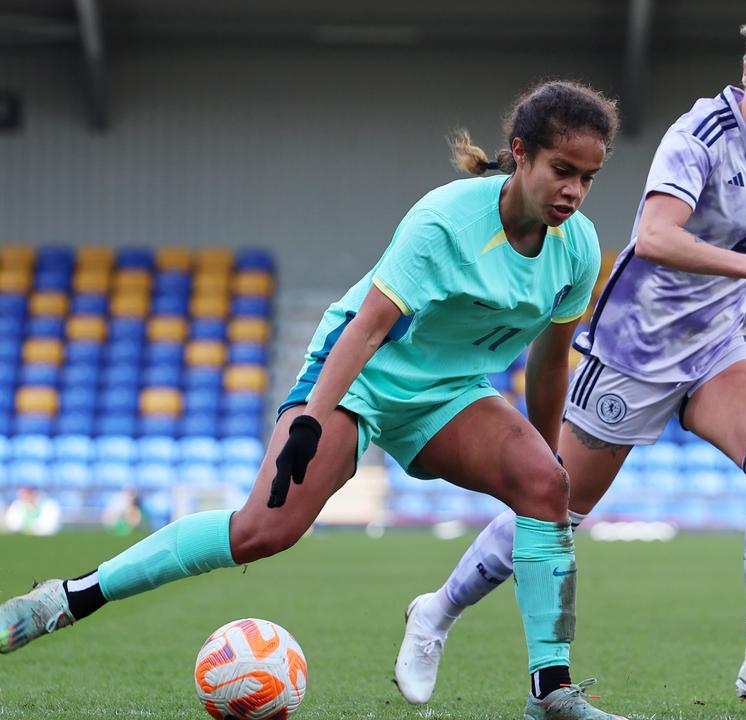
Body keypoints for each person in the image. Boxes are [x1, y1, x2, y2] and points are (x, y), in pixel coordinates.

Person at [0, 80, 626, 720]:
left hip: (451, 395)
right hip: (361, 377)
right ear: (519, 154)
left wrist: (546, 464)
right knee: (262, 530)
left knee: (549, 488)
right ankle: (69, 598)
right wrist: (311, 422)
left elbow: (550, 364)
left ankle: (549, 693)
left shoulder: (575, 248)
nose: (574, 191)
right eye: (561, 171)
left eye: (588, 178)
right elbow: (368, 327)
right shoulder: (446, 220)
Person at [395, 0, 746, 707]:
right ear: (744, 73)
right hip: (635, 348)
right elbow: (655, 236)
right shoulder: (700, 134)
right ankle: (437, 609)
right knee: (560, 506)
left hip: (721, 346)